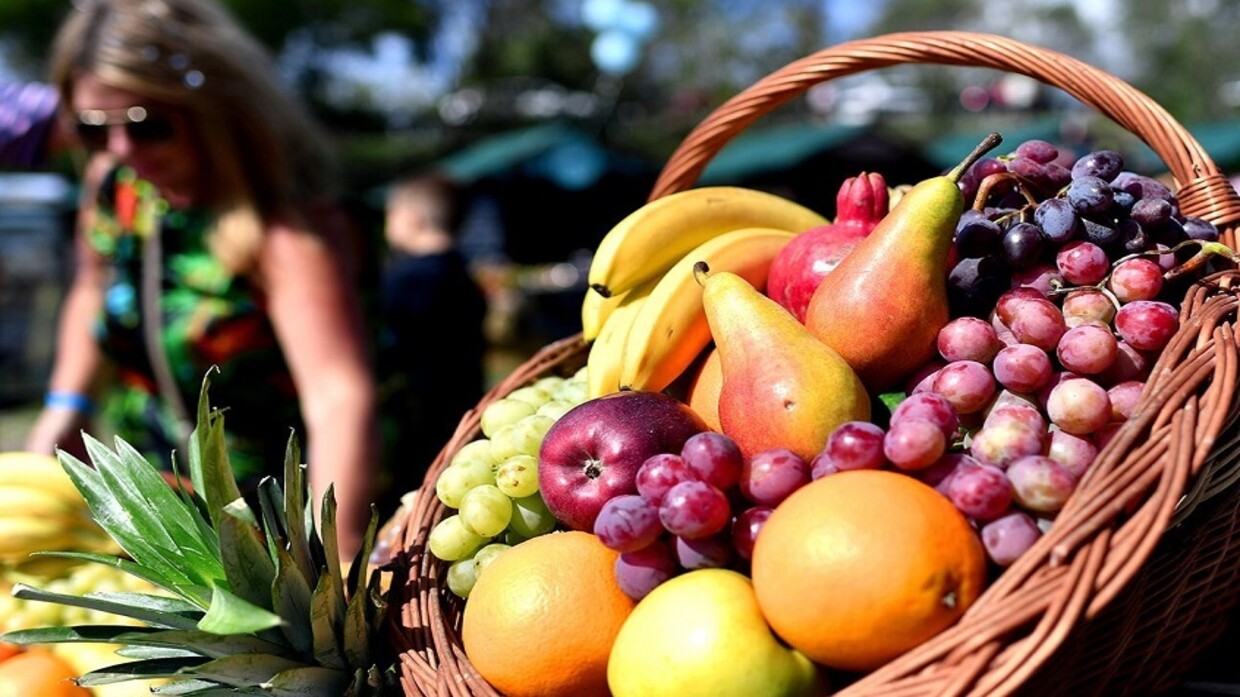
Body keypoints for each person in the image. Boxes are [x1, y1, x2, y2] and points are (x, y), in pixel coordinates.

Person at [22, 0, 377, 558]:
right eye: (92, 129)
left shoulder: (279, 223)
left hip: (274, 515)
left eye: (149, 125)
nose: (121, 151)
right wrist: (66, 406)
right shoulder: (115, 186)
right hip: (157, 490)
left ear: (212, 109)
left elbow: (338, 396)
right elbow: (92, 287)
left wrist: (336, 556)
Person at [377, 173, 487, 511]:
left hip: (414, 417)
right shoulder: (462, 273)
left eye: (389, 214)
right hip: (458, 408)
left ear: (412, 217)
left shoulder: (408, 278)